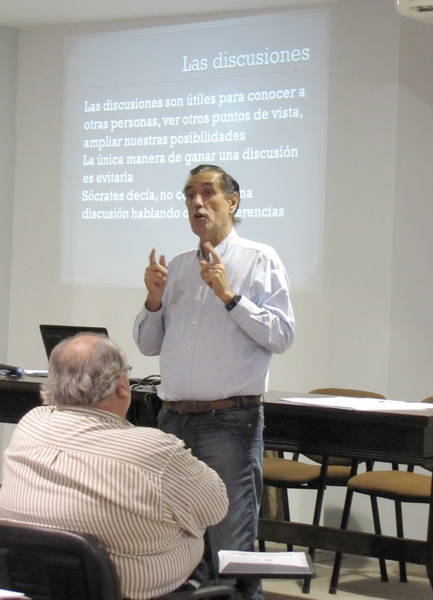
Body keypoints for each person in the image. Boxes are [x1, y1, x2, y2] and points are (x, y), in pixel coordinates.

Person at [133, 164, 295, 600]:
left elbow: (281, 335)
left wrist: (230, 296)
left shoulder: (260, 259)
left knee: (230, 547)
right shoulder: (178, 267)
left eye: (207, 193)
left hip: (230, 423)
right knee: (178, 542)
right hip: (173, 421)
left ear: (233, 202)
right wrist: (153, 300)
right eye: (190, 195)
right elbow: (147, 345)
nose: (196, 203)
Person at [0, 333, 228, 600]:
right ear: (121, 385)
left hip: (36, 586)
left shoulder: (31, 424)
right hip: (135, 592)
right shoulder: (155, 449)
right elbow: (216, 507)